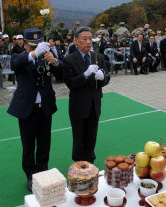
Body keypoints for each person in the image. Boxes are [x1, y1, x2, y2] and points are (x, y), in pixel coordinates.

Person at [7, 28, 61, 192]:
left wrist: (55, 61)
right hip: (27, 109)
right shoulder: (20, 56)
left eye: (37, 45)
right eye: (31, 45)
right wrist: (33, 54)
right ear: (24, 44)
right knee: (28, 145)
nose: (35, 48)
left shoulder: (46, 56)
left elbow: (62, 72)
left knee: (45, 143)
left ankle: (43, 171)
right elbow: (15, 64)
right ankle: (30, 175)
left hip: (44, 107)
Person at [62, 26, 110, 163]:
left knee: (91, 136)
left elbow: (107, 77)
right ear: (76, 41)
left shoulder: (98, 57)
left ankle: (90, 160)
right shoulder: (69, 60)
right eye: (84, 39)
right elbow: (70, 83)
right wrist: (85, 74)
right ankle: (79, 163)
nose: (88, 42)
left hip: (95, 104)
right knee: (79, 137)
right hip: (79, 105)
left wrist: (103, 78)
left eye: (90, 38)